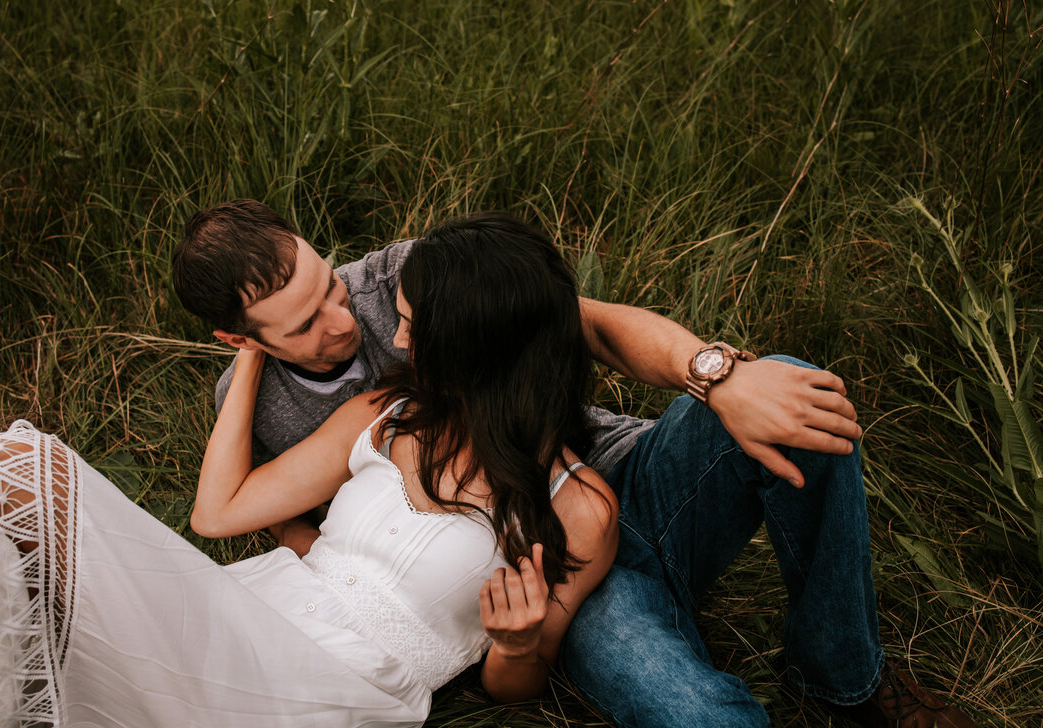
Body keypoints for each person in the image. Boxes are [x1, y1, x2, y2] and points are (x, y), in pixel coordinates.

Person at [171, 199, 978, 728]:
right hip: (550, 561)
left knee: (795, 392)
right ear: (244, 338)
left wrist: (717, 375)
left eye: (329, 285)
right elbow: (269, 517)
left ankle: (844, 682)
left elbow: (582, 326)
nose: (347, 318)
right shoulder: (275, 409)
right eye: (304, 323)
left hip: (613, 476)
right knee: (695, 716)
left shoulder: (410, 277)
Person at [0, 215, 618, 728]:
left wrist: (515, 647)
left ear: (478, 345)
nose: (394, 340)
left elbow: (514, 684)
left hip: (331, 687)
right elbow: (218, 516)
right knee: (10, 472)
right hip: (253, 606)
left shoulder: (581, 507)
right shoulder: (387, 415)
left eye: (413, 327)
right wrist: (250, 355)